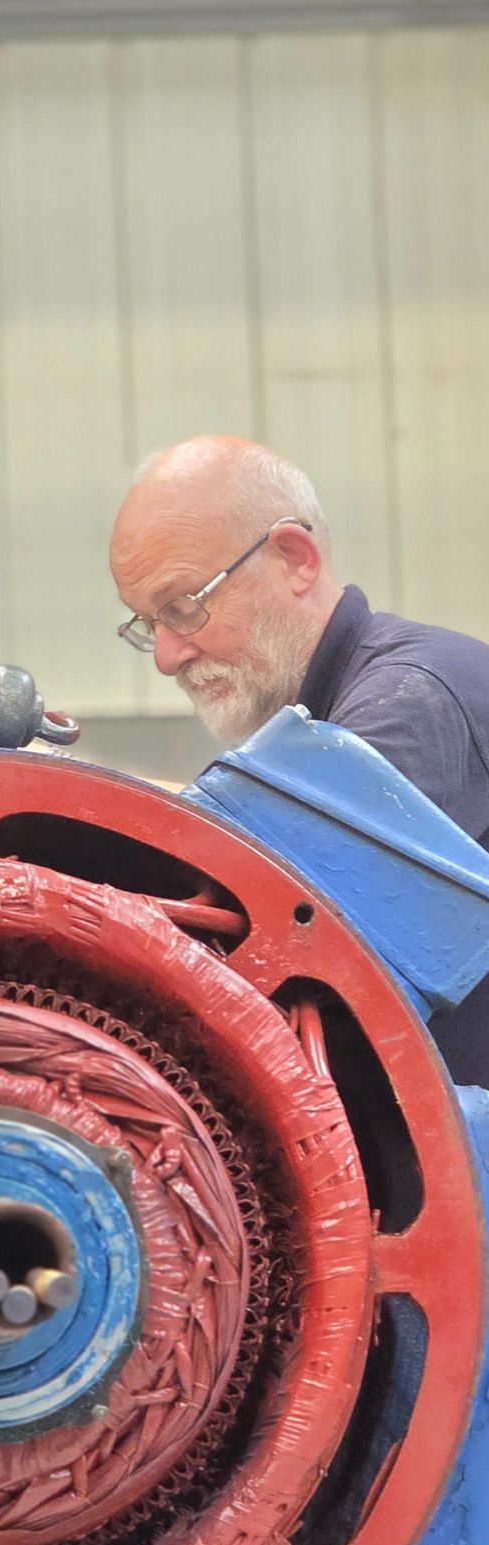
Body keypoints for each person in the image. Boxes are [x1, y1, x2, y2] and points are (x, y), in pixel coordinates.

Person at [109, 434, 489, 1084]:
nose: (168, 656)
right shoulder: (323, 725)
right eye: (149, 624)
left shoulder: (413, 702)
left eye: (183, 608)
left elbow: (247, 915)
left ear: (294, 559)